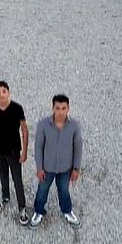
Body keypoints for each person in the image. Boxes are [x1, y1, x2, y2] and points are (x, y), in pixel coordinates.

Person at [30, 94, 83, 229]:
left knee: (64, 190)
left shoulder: (74, 126)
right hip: (47, 167)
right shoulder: (43, 124)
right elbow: (38, 147)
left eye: (63, 108)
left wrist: (76, 168)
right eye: (57, 108)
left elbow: (78, 147)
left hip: (65, 168)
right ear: (53, 108)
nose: (60, 112)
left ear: (68, 108)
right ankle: (38, 211)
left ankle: (67, 210)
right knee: (42, 190)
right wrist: (39, 168)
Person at [0, 81, 30, 226]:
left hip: (13, 152)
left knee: (17, 179)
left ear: (8, 92)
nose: (1, 94)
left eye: (4, 91)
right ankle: (5, 197)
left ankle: (22, 208)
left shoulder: (17, 108)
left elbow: (24, 129)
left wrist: (24, 152)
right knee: (3, 175)